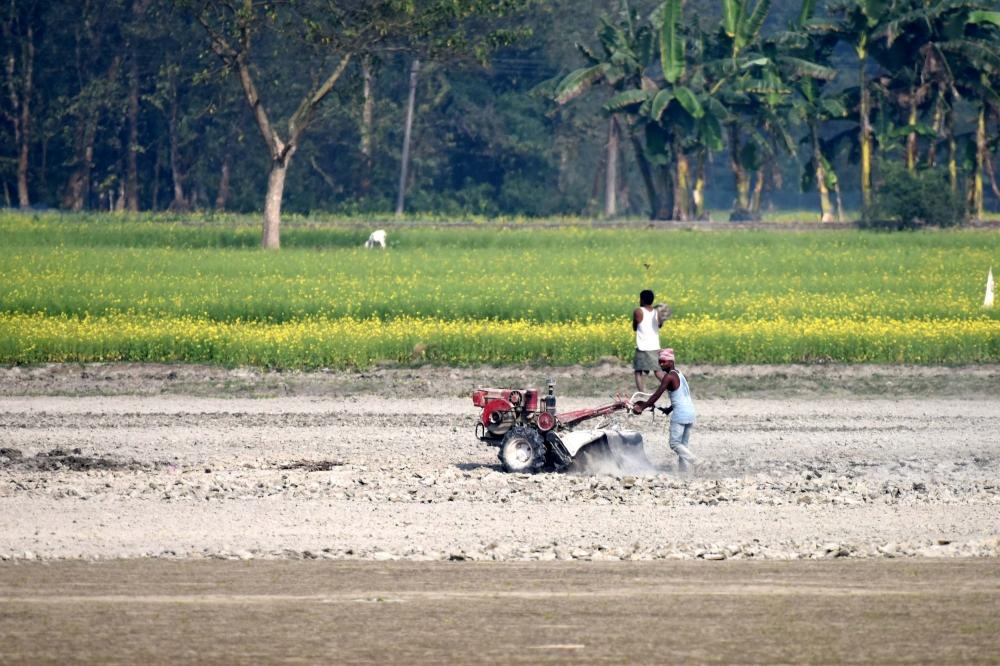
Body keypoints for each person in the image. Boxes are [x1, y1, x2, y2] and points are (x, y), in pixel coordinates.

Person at [632, 348, 701, 473]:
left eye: (664, 361)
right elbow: (681, 396)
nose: (661, 364)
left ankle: (697, 462)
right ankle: (683, 471)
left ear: (671, 361)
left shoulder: (668, 377)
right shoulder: (680, 374)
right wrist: (669, 409)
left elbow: (656, 395)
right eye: (660, 362)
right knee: (682, 446)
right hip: (690, 412)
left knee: (674, 444)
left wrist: (642, 407)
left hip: (680, 414)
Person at [632, 289, 664, 392]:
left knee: (638, 371)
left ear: (642, 300)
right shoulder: (656, 313)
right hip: (655, 346)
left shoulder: (638, 311)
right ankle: (672, 387)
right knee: (658, 372)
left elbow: (634, 327)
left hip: (643, 347)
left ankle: (641, 393)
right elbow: (660, 325)